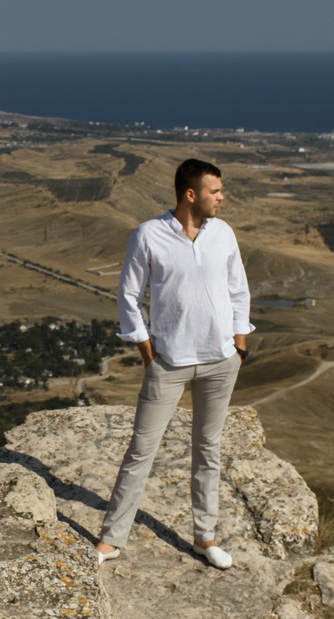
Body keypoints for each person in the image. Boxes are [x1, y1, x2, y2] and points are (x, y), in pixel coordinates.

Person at [92, 157, 253, 568]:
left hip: (220, 361)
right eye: (215, 192)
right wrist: (147, 351)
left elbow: (239, 290)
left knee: (208, 450)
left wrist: (238, 346)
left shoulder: (223, 234)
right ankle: (112, 539)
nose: (222, 198)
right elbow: (128, 296)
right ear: (191, 194)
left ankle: (205, 538)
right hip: (170, 362)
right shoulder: (148, 236)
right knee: (141, 449)